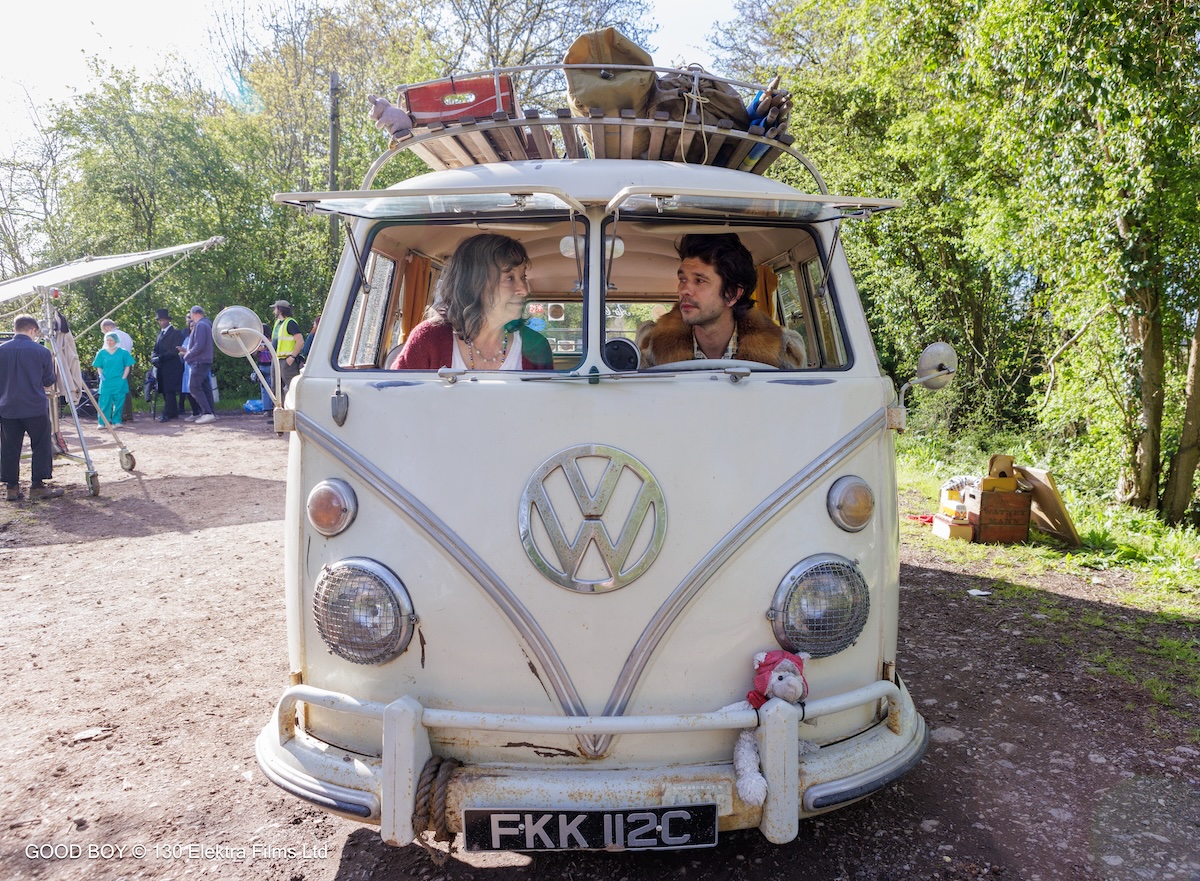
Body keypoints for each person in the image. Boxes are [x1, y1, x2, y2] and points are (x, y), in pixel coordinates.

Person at [638, 233, 807, 368]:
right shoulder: (653, 352)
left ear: (732, 294)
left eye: (699, 281)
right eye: (683, 280)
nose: (684, 290)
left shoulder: (781, 351)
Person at [390, 234, 553, 370]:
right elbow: (394, 400)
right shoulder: (428, 340)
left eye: (523, 277)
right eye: (509, 278)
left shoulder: (537, 347)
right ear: (474, 284)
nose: (524, 290)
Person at [0, 315, 64, 500]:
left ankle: (11, 487)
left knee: (9, 447)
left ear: (15, 328)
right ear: (32, 330)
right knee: (41, 445)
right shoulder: (41, 351)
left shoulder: (1, 350)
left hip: (7, 407)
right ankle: (37, 486)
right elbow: (48, 382)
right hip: (34, 406)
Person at [179, 305, 217, 425]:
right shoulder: (207, 324)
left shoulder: (200, 325)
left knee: (193, 386)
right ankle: (210, 412)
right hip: (205, 360)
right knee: (205, 387)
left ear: (194, 314)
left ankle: (207, 413)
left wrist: (187, 355)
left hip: (199, 361)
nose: (190, 319)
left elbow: (199, 345)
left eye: (190, 316)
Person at [92, 331, 135, 426]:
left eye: (111, 340)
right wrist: (101, 375)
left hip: (119, 381)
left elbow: (127, 366)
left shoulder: (123, 353)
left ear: (116, 340)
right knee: (104, 402)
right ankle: (102, 422)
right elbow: (98, 366)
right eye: (107, 340)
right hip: (106, 381)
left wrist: (123, 377)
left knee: (119, 402)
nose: (109, 342)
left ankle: (117, 421)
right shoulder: (101, 353)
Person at [151, 308, 185, 421]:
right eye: (159, 320)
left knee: (169, 390)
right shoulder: (159, 334)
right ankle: (172, 411)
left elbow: (175, 350)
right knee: (164, 389)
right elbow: (155, 348)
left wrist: (160, 357)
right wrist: (154, 358)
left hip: (172, 366)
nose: (161, 322)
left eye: (163, 320)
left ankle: (169, 412)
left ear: (168, 320)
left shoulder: (176, 333)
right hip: (161, 366)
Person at [100, 318, 136, 421]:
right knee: (125, 390)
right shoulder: (126, 335)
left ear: (107, 327)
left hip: (115, 366)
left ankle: (117, 415)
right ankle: (127, 414)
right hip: (126, 364)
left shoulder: (110, 337)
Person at [271, 300, 306, 400]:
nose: (274, 311)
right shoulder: (278, 323)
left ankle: (296, 410)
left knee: (292, 386)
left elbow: (300, 341)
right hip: (277, 359)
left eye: (275, 308)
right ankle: (281, 411)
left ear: (280, 310)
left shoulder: (290, 323)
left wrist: (292, 357)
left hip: (287, 360)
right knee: (275, 388)